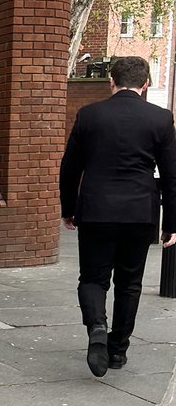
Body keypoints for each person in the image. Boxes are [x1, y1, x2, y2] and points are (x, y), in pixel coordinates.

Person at [60, 54, 176, 377]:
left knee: (93, 278)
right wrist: (172, 224)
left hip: (96, 210)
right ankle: (117, 349)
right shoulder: (161, 119)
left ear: (111, 81)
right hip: (140, 214)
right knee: (129, 283)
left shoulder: (89, 115)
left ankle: (97, 325)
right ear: (146, 84)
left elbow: (70, 167)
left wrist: (67, 208)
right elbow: (171, 175)